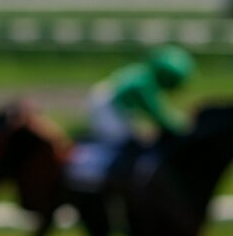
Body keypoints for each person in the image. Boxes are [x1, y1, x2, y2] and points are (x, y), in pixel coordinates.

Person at [75, 46, 195, 189]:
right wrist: (186, 128)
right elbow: (159, 116)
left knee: (134, 138)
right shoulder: (142, 85)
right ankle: (109, 176)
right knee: (125, 143)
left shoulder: (143, 74)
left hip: (109, 105)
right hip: (107, 109)